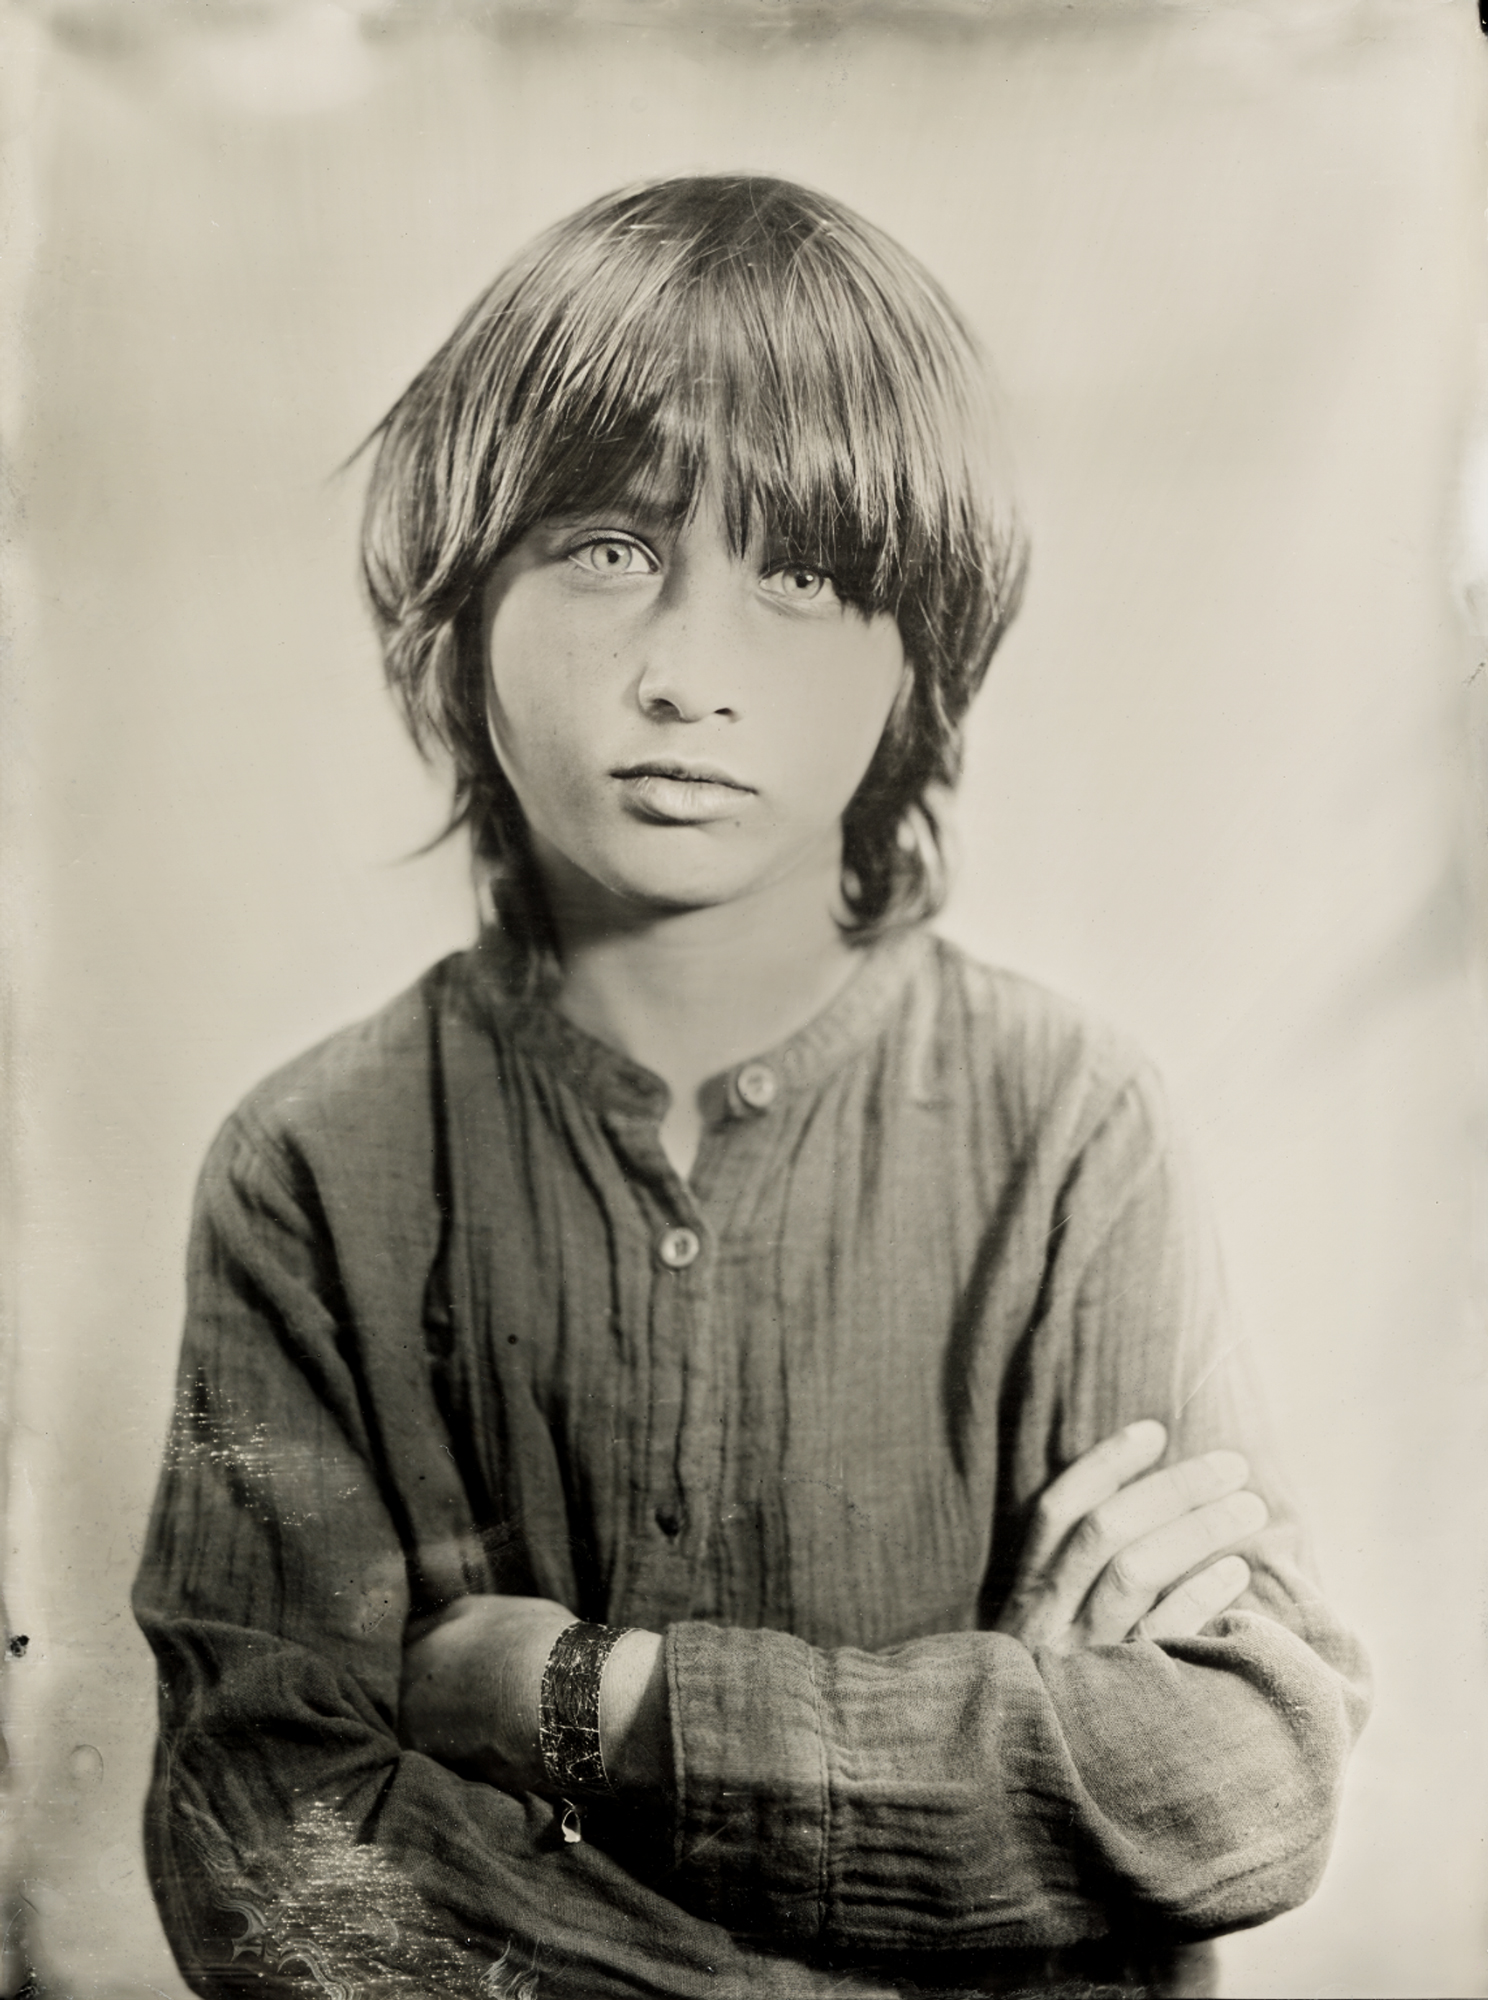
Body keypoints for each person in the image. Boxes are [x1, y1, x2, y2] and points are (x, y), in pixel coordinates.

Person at [132, 175, 1369, 2000]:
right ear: (464, 606)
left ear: (916, 646)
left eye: (799, 574)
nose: (688, 674)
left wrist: (590, 1705)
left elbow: (1239, 1779)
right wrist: (987, 1808)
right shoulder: (314, 1166)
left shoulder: (1069, 1124)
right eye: (607, 550)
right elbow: (275, 1863)